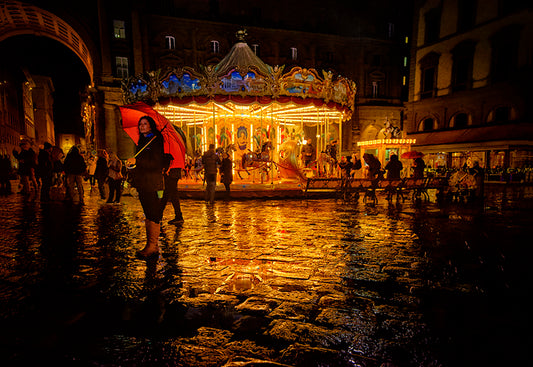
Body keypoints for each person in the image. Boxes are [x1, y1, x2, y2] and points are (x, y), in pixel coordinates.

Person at [125, 115, 168, 259]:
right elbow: (141, 162)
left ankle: (152, 245)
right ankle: (151, 245)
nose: (142, 126)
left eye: (145, 124)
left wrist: (137, 162)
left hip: (152, 182)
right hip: (143, 182)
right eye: (140, 124)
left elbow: (156, 163)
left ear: (151, 125)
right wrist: (132, 165)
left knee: (153, 214)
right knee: (148, 214)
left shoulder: (155, 140)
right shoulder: (142, 141)